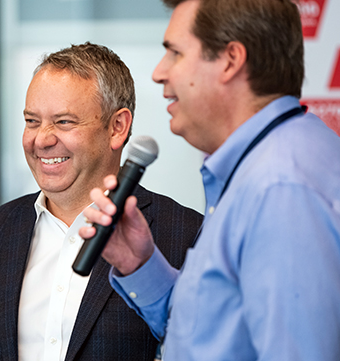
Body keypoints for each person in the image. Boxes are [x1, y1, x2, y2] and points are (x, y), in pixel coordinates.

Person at [79, 1, 340, 360]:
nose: (158, 72)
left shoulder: (280, 187)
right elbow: (215, 336)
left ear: (230, 60)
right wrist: (139, 264)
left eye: (175, 53)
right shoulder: (265, 164)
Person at [0, 42, 203, 361]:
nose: (42, 139)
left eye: (63, 122)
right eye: (32, 121)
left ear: (118, 127)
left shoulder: (188, 236)